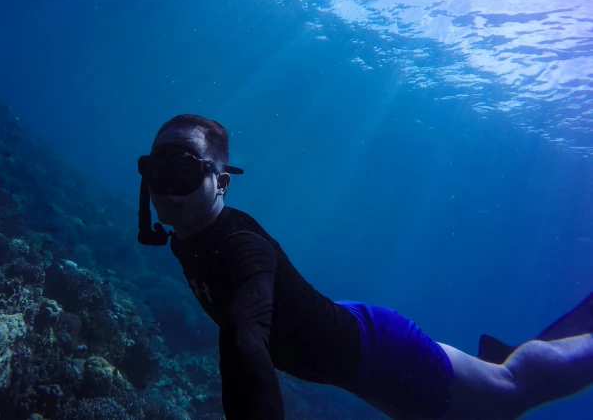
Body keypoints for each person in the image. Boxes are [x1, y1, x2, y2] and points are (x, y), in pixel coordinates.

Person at [136, 113, 593, 420]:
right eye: (155, 169)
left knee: (513, 391)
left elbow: (245, 344)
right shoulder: (188, 230)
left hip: (379, 353)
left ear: (221, 183)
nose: (164, 185)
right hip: (351, 353)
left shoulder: (241, 250)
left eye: (183, 168)